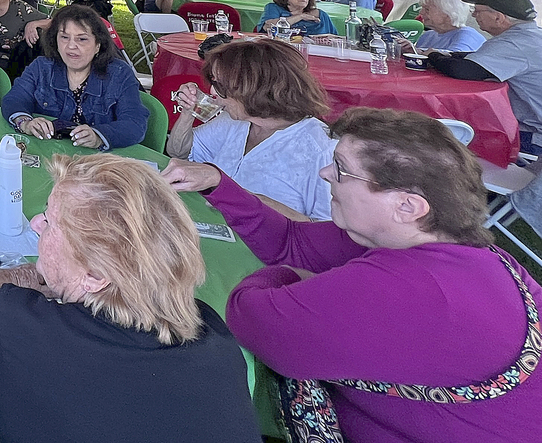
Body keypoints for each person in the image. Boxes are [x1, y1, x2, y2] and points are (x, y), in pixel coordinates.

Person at [168, 106, 542, 442]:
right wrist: (218, 184)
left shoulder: (412, 287)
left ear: (407, 205)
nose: (325, 172)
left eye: (343, 169)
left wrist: (290, 277)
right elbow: (291, 240)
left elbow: (254, 319)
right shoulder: (429, 239)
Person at [0, 152, 261, 443]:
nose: (36, 223)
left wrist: (29, 274)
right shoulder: (213, 334)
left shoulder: (20, 332)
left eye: (50, 221)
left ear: (95, 275)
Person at [168, 40, 335, 219]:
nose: (212, 91)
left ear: (254, 88)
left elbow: (326, 232)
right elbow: (178, 152)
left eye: (220, 85)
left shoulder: (321, 149)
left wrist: (230, 191)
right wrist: (188, 114)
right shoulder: (234, 121)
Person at [2, 4, 147, 149]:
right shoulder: (41, 67)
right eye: (64, 37)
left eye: (82, 39)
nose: (71, 46)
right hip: (49, 155)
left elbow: (134, 124)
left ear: (98, 45)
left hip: (98, 162)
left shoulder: (119, 73)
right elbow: (14, 99)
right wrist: (24, 122)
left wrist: (98, 136)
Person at [427, 0, 542, 147]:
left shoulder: (513, 43)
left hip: (532, 133)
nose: (473, 15)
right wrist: (445, 54)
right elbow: (478, 57)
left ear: (498, 17)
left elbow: (463, 71)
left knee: (444, 134)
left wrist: (432, 56)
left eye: (477, 10)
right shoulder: (532, 36)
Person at [391, 0, 484, 54]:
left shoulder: (467, 35)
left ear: (448, 14)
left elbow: (454, 58)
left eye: (427, 9)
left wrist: (417, 51)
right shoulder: (427, 35)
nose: (421, 12)